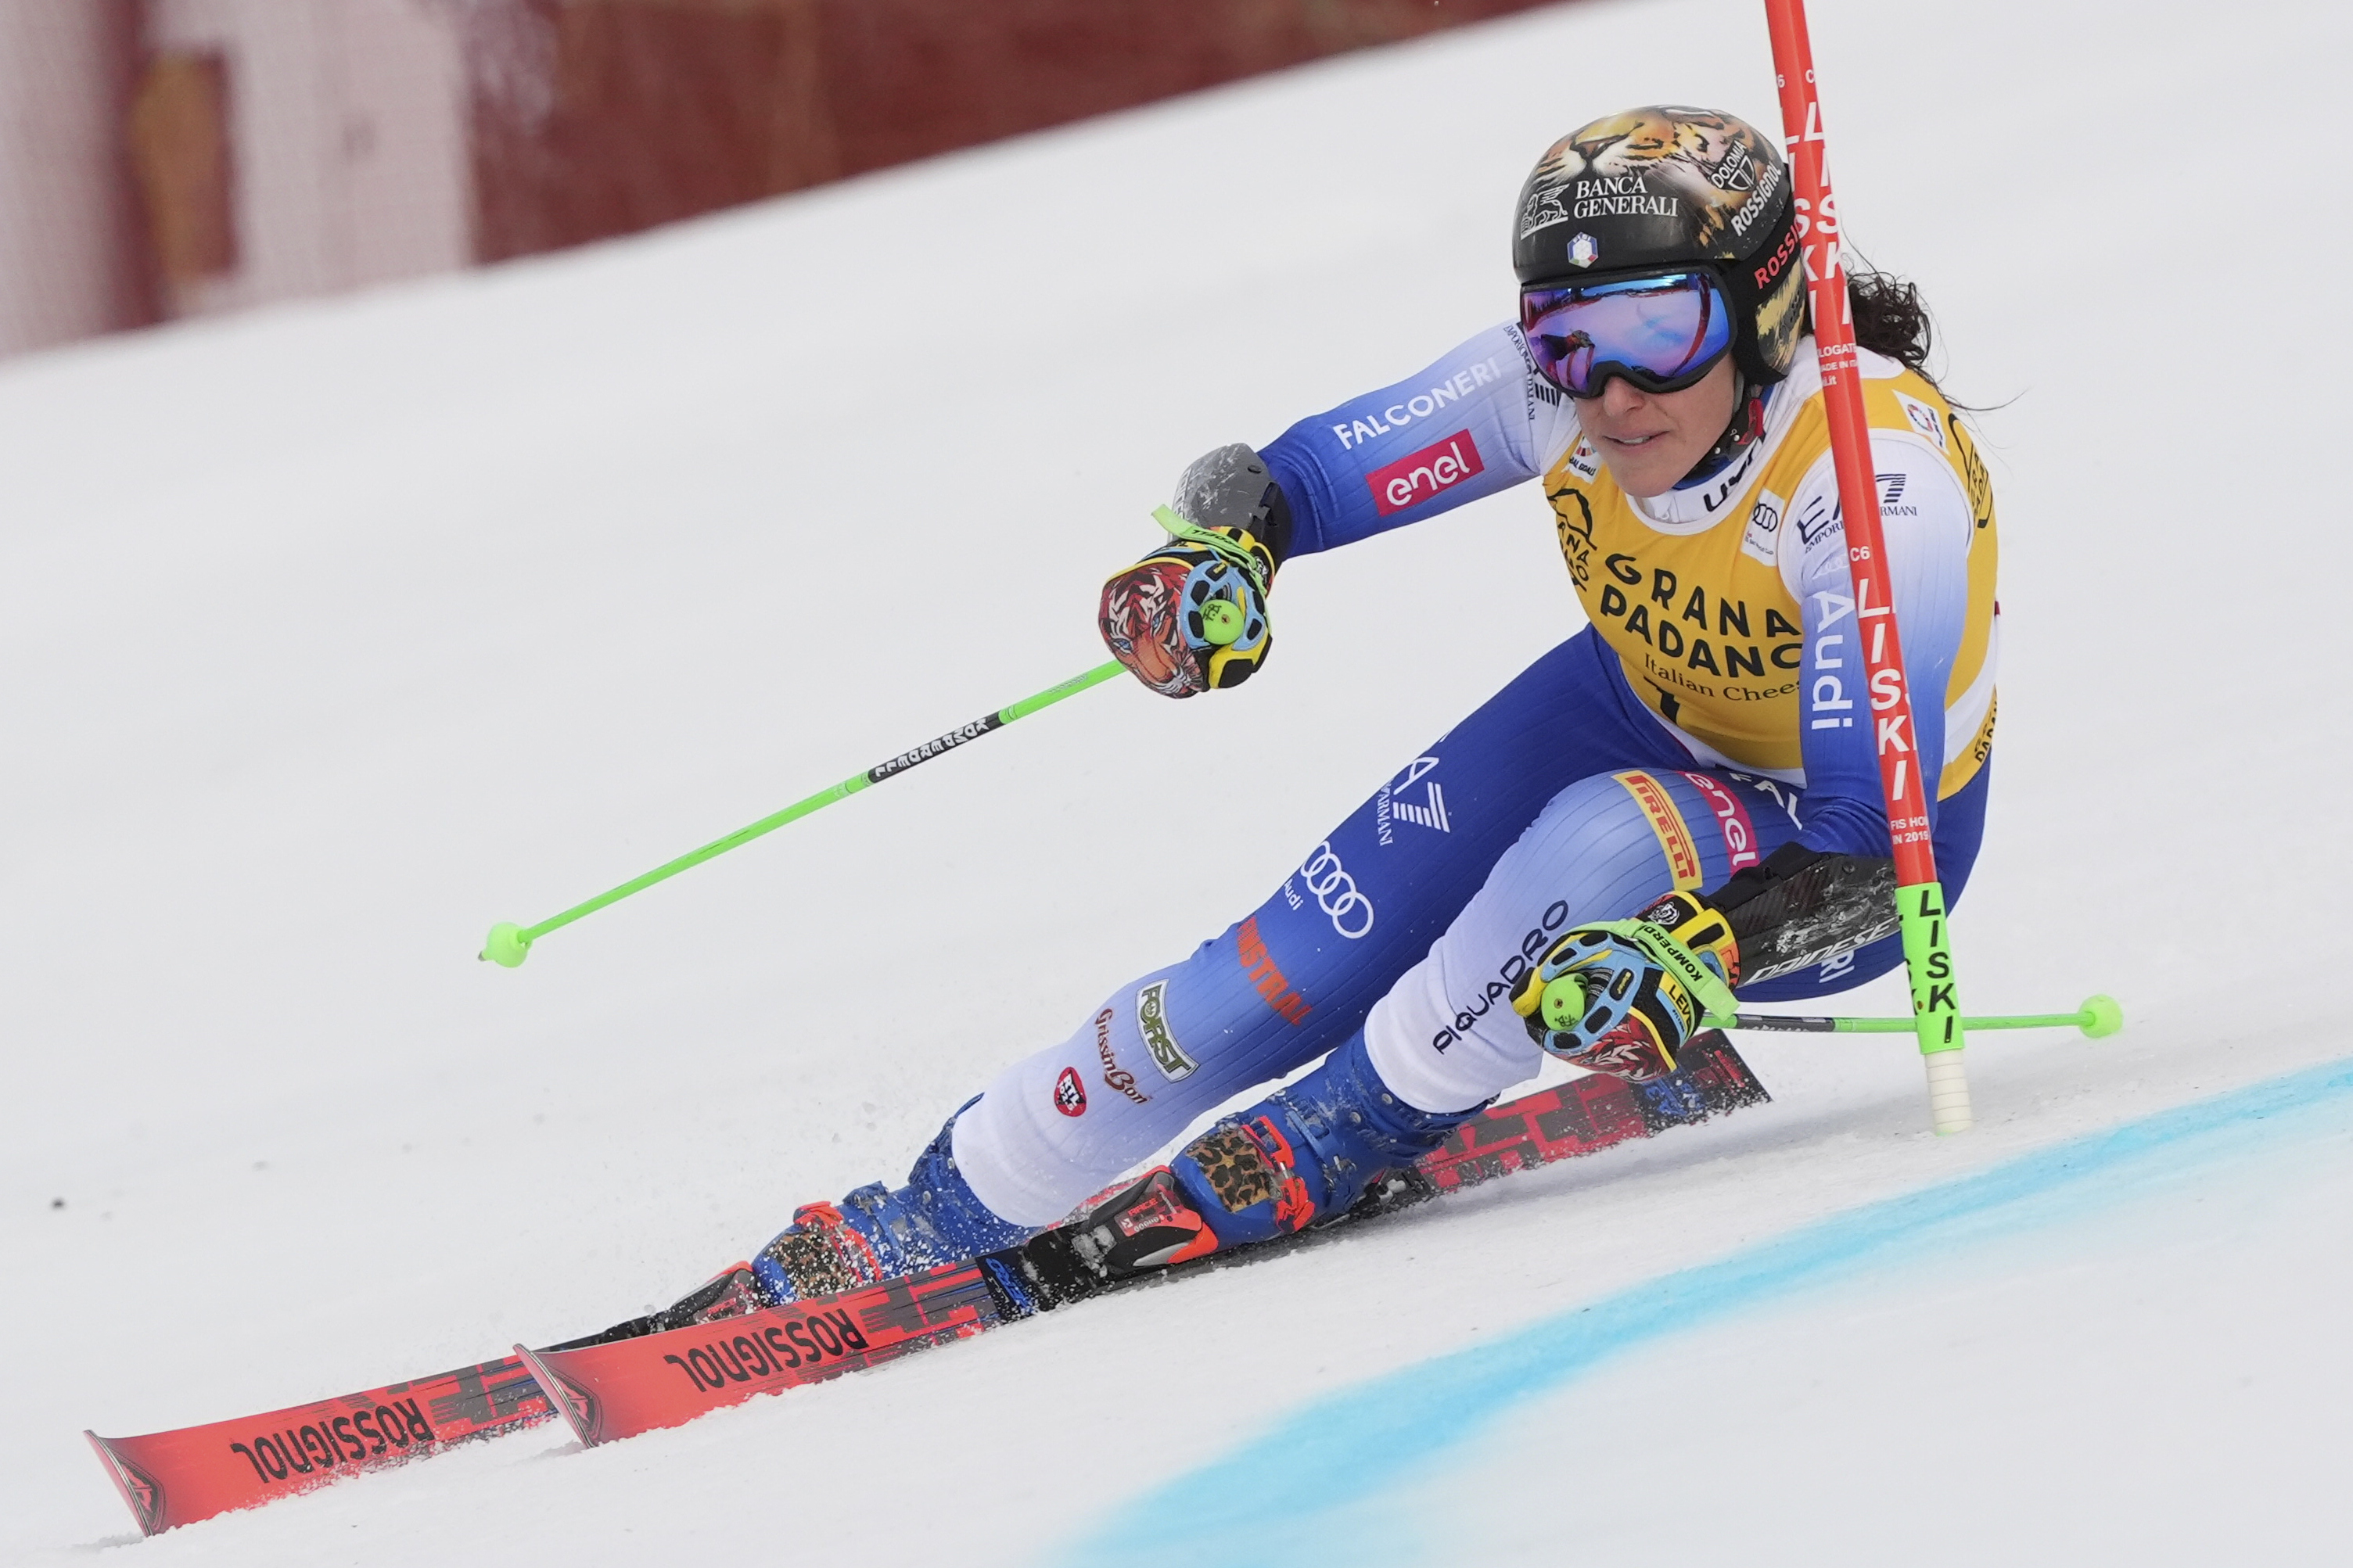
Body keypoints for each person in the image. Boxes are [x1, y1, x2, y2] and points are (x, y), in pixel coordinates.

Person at [749, 105, 1999, 1302]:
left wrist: (1703, 948)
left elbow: (1870, 848)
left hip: (1848, 844)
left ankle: (1352, 1121)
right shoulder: (1547, 393)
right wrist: (1219, 557)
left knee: (1595, 847)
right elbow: (1286, 477)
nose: (1610, 392)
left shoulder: (1869, 487)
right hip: (1638, 702)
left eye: (1661, 333)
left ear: (1766, 305)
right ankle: (947, 1199)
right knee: (1267, 975)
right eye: (1568, 334)